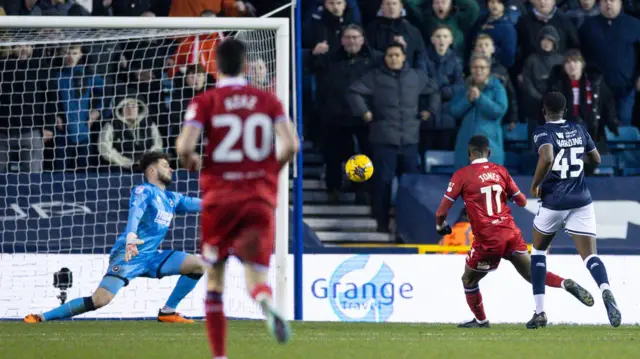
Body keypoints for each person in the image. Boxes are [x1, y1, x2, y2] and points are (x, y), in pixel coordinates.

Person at [176, 38, 299, 358]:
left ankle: (220, 356)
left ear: (215, 66)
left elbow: (184, 148)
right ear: (246, 65)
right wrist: (269, 172)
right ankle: (264, 300)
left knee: (214, 279)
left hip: (220, 199)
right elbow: (292, 144)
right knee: (256, 274)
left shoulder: (206, 100)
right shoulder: (269, 101)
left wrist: (193, 164)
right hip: (258, 198)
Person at [24, 151, 204, 323]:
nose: (171, 169)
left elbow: (204, 204)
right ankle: (42, 317)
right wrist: (131, 236)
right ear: (152, 170)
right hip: (128, 254)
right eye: (165, 165)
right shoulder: (144, 190)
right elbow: (136, 211)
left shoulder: (172, 199)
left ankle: (168, 312)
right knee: (99, 300)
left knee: (198, 266)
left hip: (151, 257)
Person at [435, 134, 594, 328]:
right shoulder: (501, 171)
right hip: (510, 233)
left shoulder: (462, 175)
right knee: (530, 274)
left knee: (468, 280)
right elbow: (522, 201)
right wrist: (505, 195)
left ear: (469, 154)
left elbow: (441, 211)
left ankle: (481, 321)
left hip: (488, 239)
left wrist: (440, 226)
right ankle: (564, 282)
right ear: (489, 152)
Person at [527, 92, 621, 329]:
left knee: (538, 252)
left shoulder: (542, 131)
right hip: (581, 200)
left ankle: (540, 312)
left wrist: (535, 184)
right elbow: (597, 159)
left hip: (554, 202)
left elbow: (547, 157)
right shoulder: (579, 129)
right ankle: (606, 290)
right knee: (590, 255)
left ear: (544, 111)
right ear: (566, 111)